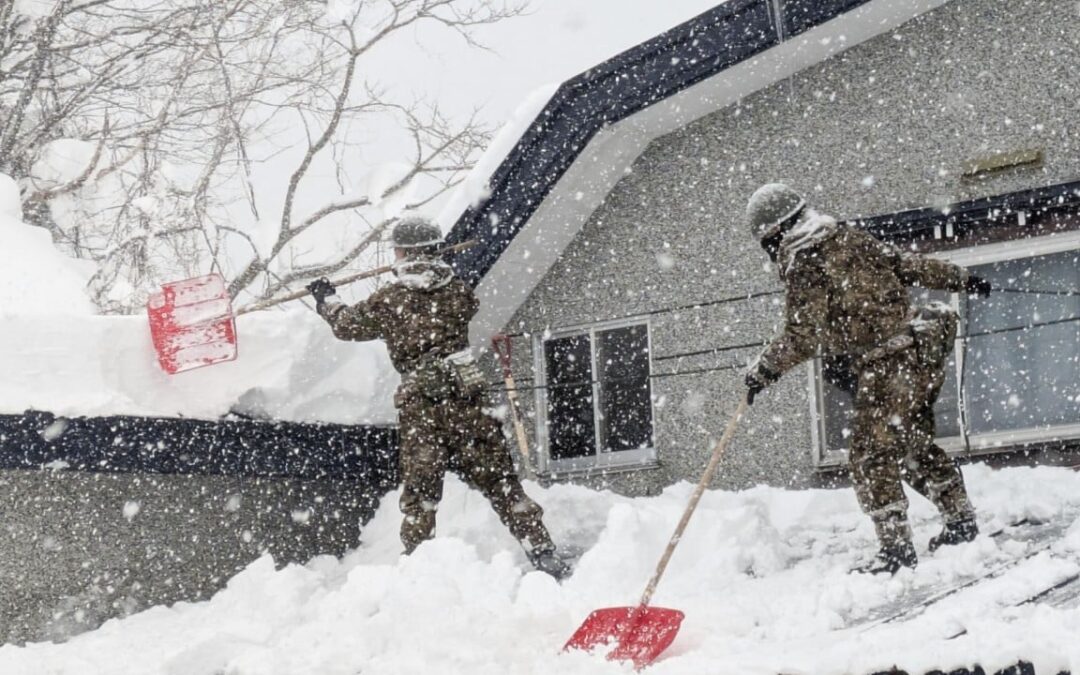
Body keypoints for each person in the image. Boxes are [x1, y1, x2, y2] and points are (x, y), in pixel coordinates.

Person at [742, 183, 993, 574]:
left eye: (768, 241)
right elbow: (907, 265)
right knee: (912, 445)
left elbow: (802, 337)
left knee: (869, 457)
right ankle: (960, 521)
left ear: (780, 230)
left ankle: (895, 552)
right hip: (919, 356)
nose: (770, 250)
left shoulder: (806, 262)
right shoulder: (851, 238)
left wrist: (764, 370)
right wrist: (962, 279)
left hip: (887, 364)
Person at [306, 216, 570, 579]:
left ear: (403, 252)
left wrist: (326, 299)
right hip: (467, 399)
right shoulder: (457, 292)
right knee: (500, 482)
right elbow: (461, 302)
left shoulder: (390, 300)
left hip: (422, 408)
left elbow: (347, 326)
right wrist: (434, 266)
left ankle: (419, 567)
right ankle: (541, 549)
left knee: (421, 495)